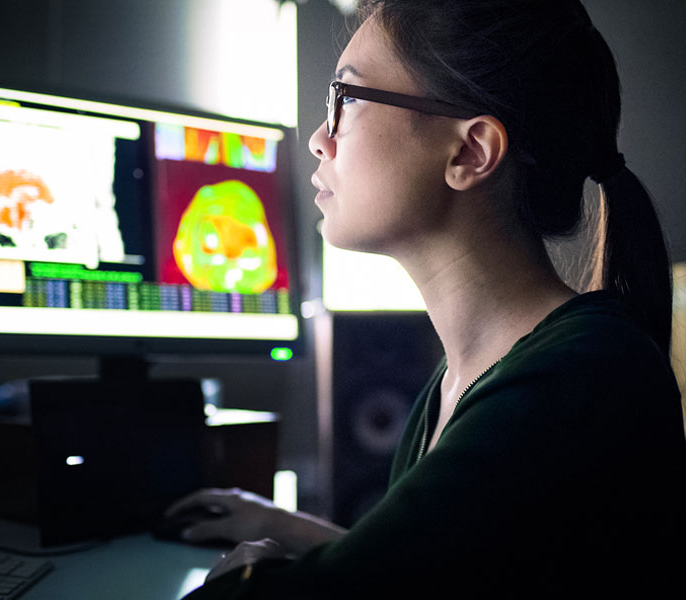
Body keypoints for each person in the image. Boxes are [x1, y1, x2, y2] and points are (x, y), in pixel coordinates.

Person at [167, 0, 686, 597]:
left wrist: (249, 577)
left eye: (347, 100)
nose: (317, 139)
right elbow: (440, 566)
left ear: (470, 152)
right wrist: (284, 525)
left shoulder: (579, 376)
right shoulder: (464, 378)